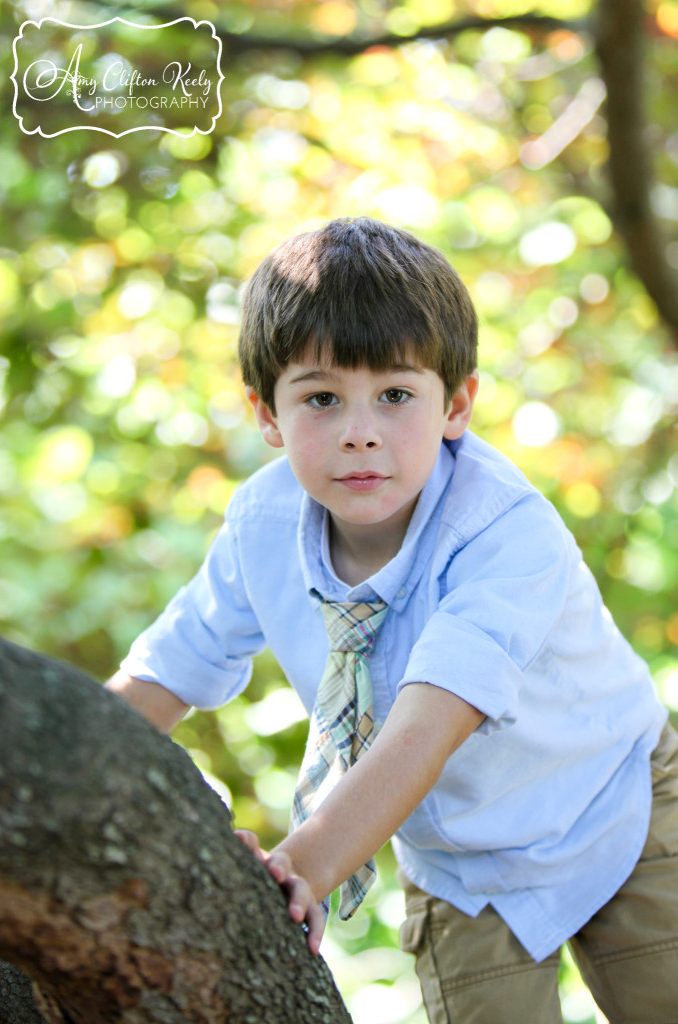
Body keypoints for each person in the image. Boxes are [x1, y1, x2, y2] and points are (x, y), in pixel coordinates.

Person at [106, 217, 678, 1024]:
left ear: (458, 403)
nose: (361, 430)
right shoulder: (261, 526)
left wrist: (300, 866)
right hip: (462, 865)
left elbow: (427, 723)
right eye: (321, 398)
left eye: (397, 395)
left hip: (615, 803)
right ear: (267, 413)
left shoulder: (503, 531)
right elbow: (164, 674)